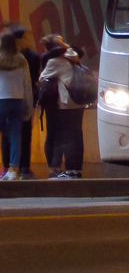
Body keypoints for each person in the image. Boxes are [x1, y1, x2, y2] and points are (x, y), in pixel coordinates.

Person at [39, 34, 86, 178]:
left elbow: (42, 78)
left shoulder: (55, 61)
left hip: (66, 102)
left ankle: (62, 170)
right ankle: (76, 170)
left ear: (48, 48)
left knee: (65, 137)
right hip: (79, 101)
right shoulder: (74, 56)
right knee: (77, 135)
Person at [0, 26, 35, 181]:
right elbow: (27, 85)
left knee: (3, 134)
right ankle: (14, 169)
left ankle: (4, 168)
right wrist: (29, 107)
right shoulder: (21, 60)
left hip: (1, 100)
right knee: (15, 135)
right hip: (17, 101)